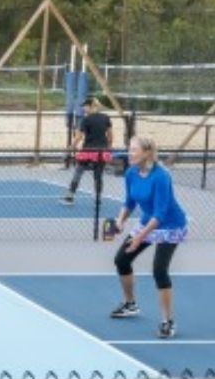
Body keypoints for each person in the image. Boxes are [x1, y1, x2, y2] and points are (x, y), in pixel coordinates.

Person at [109, 135, 188, 339]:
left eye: (134, 150)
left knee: (159, 270)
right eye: (129, 149)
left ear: (146, 153)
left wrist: (139, 237)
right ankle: (130, 304)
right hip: (148, 220)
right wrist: (120, 221)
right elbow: (129, 202)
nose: (129, 153)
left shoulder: (161, 176)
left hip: (170, 224)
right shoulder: (131, 173)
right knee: (121, 260)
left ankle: (167, 321)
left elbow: (160, 214)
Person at [60, 97, 113, 205]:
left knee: (79, 171)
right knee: (98, 175)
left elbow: (79, 136)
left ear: (90, 106)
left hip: (88, 150)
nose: (84, 109)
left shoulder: (86, 119)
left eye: (85, 106)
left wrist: (71, 147)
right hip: (102, 150)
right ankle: (98, 199)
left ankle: (70, 196)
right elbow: (110, 136)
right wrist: (108, 148)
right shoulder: (106, 118)